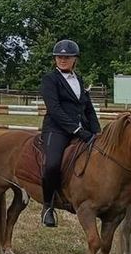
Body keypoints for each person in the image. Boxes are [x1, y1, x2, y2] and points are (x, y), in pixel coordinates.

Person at [39, 39, 100, 227]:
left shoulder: (79, 80)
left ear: (75, 59)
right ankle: (48, 206)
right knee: (52, 164)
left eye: (67, 57)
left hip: (83, 128)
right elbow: (55, 109)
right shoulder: (50, 79)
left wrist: (97, 132)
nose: (62, 60)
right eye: (59, 57)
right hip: (57, 129)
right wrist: (78, 131)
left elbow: (88, 108)